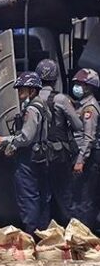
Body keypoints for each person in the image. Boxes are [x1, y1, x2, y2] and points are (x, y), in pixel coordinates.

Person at [0, 71, 51, 235]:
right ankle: (43, 234)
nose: (19, 94)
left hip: (29, 158)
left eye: (22, 90)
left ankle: (32, 235)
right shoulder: (42, 106)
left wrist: (3, 140)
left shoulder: (32, 109)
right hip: (40, 155)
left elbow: (26, 137)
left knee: (28, 197)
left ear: (32, 90)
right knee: (41, 196)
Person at [35, 58, 82, 224]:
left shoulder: (32, 100)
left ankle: (44, 234)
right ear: (55, 79)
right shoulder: (61, 99)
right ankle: (72, 233)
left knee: (42, 196)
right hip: (59, 155)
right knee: (65, 195)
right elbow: (78, 125)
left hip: (38, 155)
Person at [69, 68, 100, 230]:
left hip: (88, 158)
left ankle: (84, 237)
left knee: (85, 200)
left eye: (80, 84)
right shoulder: (82, 105)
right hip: (83, 155)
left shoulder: (90, 109)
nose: (77, 87)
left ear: (89, 87)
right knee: (78, 198)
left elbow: (89, 137)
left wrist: (81, 161)